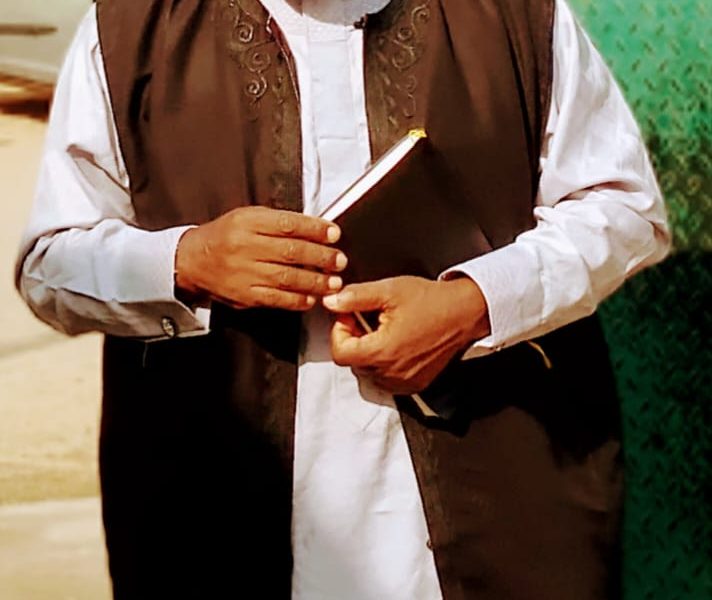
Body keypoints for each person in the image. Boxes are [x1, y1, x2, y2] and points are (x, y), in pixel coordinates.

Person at [16, 0, 670, 598]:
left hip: (498, 507)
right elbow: (51, 262)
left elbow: (623, 208)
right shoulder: (131, 28)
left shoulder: (516, 15)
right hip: (217, 517)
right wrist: (186, 261)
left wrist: (477, 304)